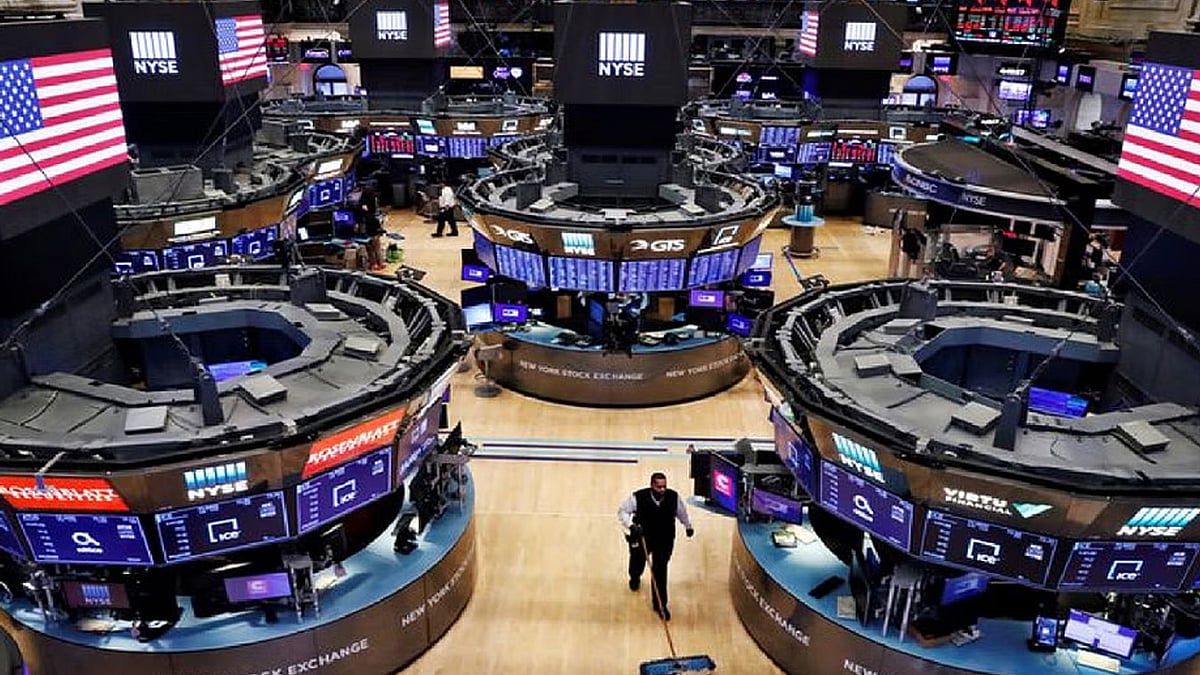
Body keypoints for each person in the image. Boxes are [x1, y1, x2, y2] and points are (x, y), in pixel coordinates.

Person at [617, 472, 694, 621]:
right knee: (637, 561)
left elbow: (682, 513)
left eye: (664, 486)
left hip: (664, 539)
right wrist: (631, 526)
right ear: (652, 485)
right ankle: (634, 577)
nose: (662, 489)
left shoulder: (673, 497)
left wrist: (688, 526)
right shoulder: (638, 497)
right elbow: (623, 512)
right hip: (643, 536)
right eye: (659, 487)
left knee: (660, 570)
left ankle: (660, 605)